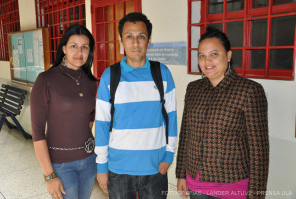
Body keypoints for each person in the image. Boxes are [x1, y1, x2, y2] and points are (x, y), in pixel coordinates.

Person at [176, 26, 269, 199]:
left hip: (232, 186)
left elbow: (259, 151)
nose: (207, 61)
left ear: (228, 56)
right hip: (195, 183)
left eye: (214, 54)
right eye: (202, 56)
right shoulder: (193, 89)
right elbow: (186, 134)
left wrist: (256, 195)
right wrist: (181, 174)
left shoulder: (249, 91)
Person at [94, 12, 177, 199]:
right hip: (119, 169)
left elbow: (171, 116)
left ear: (149, 40)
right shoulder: (110, 76)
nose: (136, 43)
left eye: (141, 37)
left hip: (156, 168)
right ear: (121, 40)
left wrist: (169, 155)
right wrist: (102, 167)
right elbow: (101, 124)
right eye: (129, 37)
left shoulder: (162, 73)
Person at [30, 24, 97, 199]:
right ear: (64, 48)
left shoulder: (91, 81)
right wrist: (49, 175)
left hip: (89, 160)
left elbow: (89, 120)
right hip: (60, 165)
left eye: (85, 47)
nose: (79, 52)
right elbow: (37, 133)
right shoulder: (46, 80)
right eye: (74, 46)